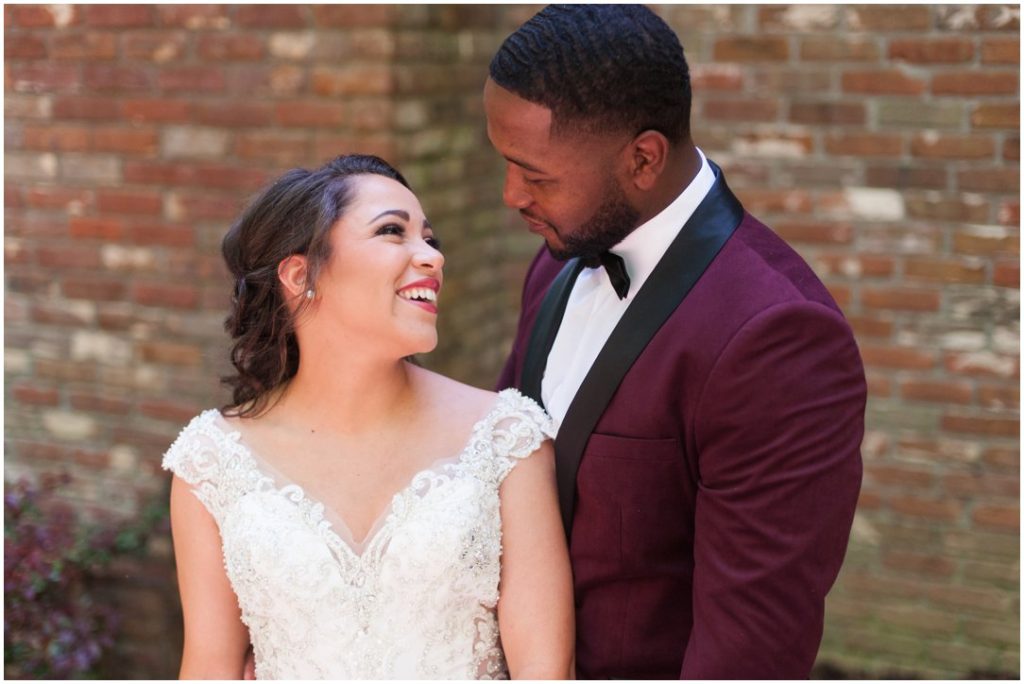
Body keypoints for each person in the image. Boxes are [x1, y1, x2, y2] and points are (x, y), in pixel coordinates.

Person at [487, 5, 866, 679]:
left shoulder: (778, 338)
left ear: (643, 158)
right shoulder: (555, 263)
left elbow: (751, 653)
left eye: (536, 174)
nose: (511, 194)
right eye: (507, 164)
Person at [162, 154, 574, 679]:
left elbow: (548, 672)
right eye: (391, 232)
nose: (431, 257)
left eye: (430, 239)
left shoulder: (506, 439)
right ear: (300, 273)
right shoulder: (211, 463)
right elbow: (209, 667)